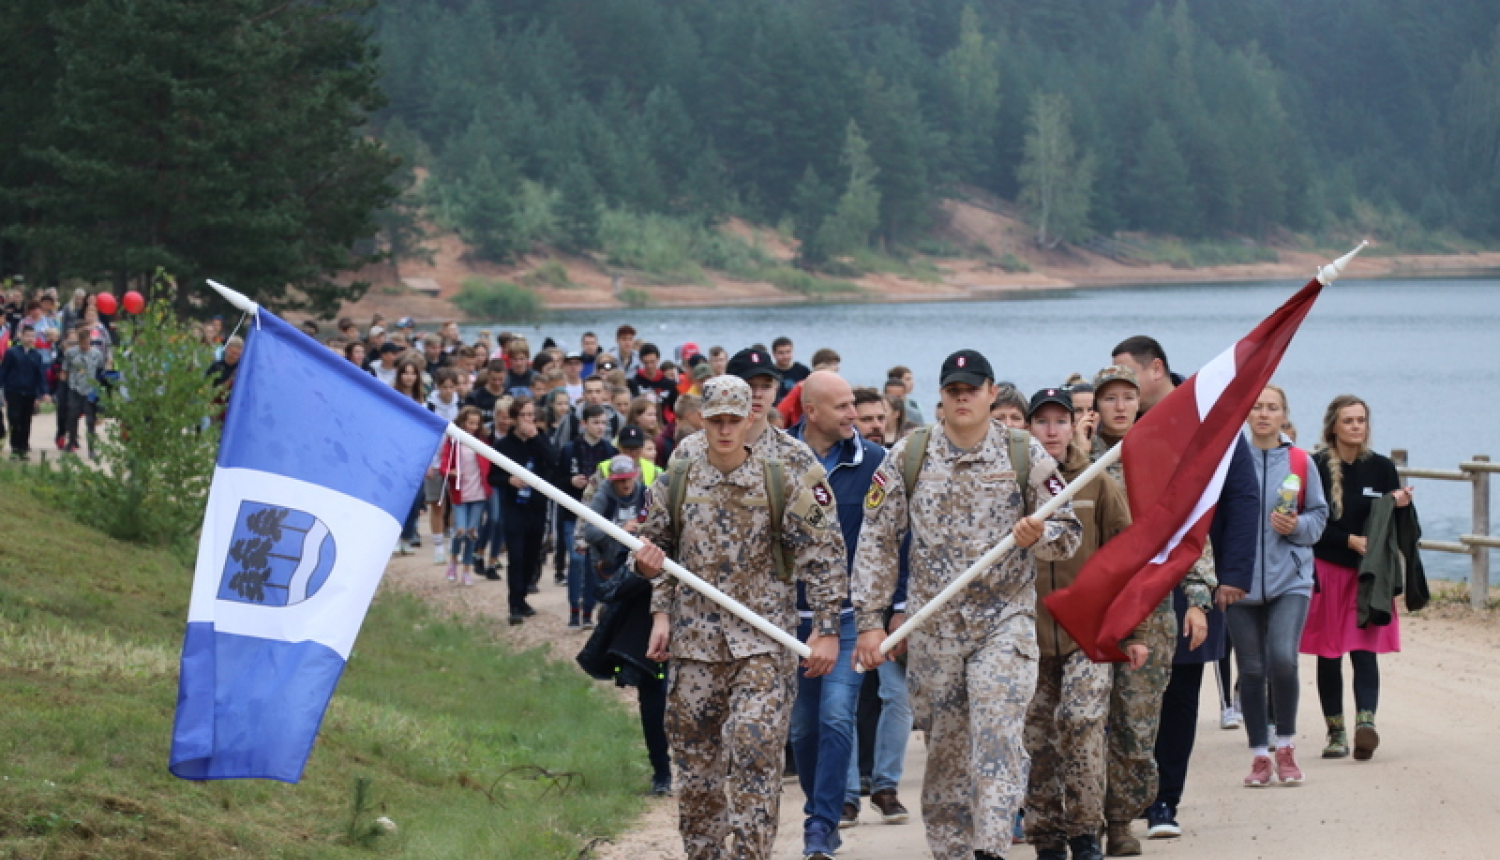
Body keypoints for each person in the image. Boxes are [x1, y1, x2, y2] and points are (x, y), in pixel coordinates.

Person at [852, 349, 1082, 860]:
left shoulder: (1024, 454)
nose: (962, 397)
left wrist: (1037, 535)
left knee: (997, 738)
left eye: (972, 389)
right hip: (934, 629)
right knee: (947, 752)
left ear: (990, 393)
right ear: (941, 395)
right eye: (953, 389)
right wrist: (869, 622)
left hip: (1004, 621)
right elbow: (878, 540)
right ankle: (952, 851)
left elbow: (1068, 533)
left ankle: (992, 848)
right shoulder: (909, 455)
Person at [633, 375, 846, 860]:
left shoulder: (781, 477)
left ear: (751, 416)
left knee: (755, 755)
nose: (726, 429)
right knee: (697, 768)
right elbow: (654, 545)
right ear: (701, 421)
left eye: (735, 419)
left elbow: (825, 552)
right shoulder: (679, 477)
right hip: (695, 646)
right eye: (716, 421)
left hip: (763, 645)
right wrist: (653, 589)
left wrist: (827, 629)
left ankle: (751, 854)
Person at [1109, 337, 1256, 843]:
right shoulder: (1113, 427)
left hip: (1193, 573)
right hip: (1126, 582)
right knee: (1125, 696)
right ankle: (1125, 797)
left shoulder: (1207, 414)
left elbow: (1240, 494)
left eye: (1127, 375)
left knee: (1181, 691)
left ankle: (1165, 798)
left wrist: (1233, 574)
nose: (1120, 390)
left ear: (1156, 370)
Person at [1024, 388, 1143, 860]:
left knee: (1081, 724)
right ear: (1028, 428)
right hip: (1027, 636)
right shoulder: (1014, 480)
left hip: (1086, 637)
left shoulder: (1096, 482)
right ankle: (1047, 835)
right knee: (1036, 737)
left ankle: (1084, 832)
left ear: (1074, 425)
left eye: (1059, 421)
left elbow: (1128, 557)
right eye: (1041, 422)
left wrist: (1131, 632)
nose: (1051, 431)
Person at [786, 371, 886, 858]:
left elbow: (894, 541)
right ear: (813, 412)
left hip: (848, 617)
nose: (854, 414)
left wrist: (888, 613)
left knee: (835, 718)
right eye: (843, 406)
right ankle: (820, 806)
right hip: (789, 620)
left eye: (854, 404)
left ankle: (821, 823)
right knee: (802, 728)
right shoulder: (775, 459)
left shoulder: (875, 462)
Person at [1300, 394, 1412, 761]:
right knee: (1329, 654)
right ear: (1333, 426)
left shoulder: (1381, 468)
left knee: (1365, 651)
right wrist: (1348, 540)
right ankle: (1335, 733)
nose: (1356, 427)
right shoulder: (1314, 466)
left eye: (1361, 420)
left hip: (1369, 574)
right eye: (1348, 421)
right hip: (1328, 571)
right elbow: (1310, 523)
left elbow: (1393, 524)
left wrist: (1401, 506)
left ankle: (1367, 724)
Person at [1233, 384, 1329, 786]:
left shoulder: (1301, 462)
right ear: (1247, 414)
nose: (1264, 414)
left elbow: (1319, 518)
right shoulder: (1231, 462)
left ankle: (1286, 746)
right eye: (1256, 406)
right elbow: (1215, 520)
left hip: (1290, 579)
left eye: (1272, 407)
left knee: (1283, 660)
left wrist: (1297, 527)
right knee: (1252, 669)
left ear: (1283, 415)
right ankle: (1259, 754)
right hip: (1238, 584)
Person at [492, 396, 557, 625]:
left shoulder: (541, 440)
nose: (529, 420)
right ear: (514, 418)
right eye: (524, 416)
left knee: (532, 555)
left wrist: (537, 439)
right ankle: (514, 604)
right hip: (514, 508)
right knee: (516, 556)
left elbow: (553, 462)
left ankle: (523, 597)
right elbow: (493, 476)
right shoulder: (503, 445)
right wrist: (508, 479)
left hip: (537, 507)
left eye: (532, 415)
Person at [567, 407, 620, 626]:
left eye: (603, 423)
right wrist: (571, 482)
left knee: (592, 564)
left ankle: (588, 610)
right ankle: (574, 609)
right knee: (577, 560)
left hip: (601, 519)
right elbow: (556, 478)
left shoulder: (610, 451)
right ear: (584, 423)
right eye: (596, 422)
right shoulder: (570, 449)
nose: (600, 427)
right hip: (571, 513)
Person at [438, 407, 491, 585]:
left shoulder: (482, 442)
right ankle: (453, 561)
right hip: (460, 493)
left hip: (478, 493)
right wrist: (450, 472)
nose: (473, 427)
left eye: (476, 423)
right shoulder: (453, 442)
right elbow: (444, 465)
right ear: (462, 422)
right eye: (470, 423)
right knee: (459, 530)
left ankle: (467, 570)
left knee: (471, 533)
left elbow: (489, 464)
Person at [0, 325, 49, 459]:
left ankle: (23, 447)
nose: (29, 339)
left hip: (29, 392)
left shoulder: (36, 355)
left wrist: (43, 393)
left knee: (26, 421)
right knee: (14, 419)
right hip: (13, 391)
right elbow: (4, 371)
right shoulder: (12, 352)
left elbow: (40, 376)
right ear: (20, 336)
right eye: (27, 335)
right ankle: (15, 447)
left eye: (32, 336)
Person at [59, 326, 105, 459]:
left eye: (87, 342)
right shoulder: (71, 353)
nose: (85, 345)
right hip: (75, 388)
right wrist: (62, 386)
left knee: (90, 421)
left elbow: (100, 371)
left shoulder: (97, 354)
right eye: (82, 342)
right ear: (79, 341)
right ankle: (71, 441)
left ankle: (91, 448)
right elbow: (65, 370)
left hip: (90, 390)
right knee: (72, 417)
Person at [771, 336, 811, 404]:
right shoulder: (770, 371)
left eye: (788, 352)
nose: (785, 356)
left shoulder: (803, 370)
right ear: (774, 354)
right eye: (781, 353)